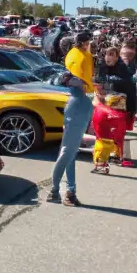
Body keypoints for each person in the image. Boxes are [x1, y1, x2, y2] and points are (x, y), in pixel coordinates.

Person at [48, 70, 93, 206]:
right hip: (77, 114)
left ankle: (69, 192)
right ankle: (55, 191)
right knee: (67, 154)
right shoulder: (79, 99)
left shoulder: (79, 98)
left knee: (69, 155)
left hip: (76, 115)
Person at [91, 92, 131, 174]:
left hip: (108, 136)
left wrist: (96, 96)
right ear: (112, 103)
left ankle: (103, 165)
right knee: (102, 151)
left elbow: (96, 103)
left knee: (102, 150)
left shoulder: (106, 110)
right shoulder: (113, 114)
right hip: (107, 136)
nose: (123, 106)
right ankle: (103, 165)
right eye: (121, 104)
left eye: (123, 104)